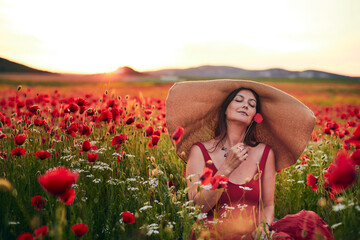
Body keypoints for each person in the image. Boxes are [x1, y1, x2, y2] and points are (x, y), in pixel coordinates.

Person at [166, 80, 334, 240]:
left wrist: (264, 227)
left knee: (308, 222)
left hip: (254, 231)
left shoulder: (265, 152)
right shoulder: (200, 151)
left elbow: (267, 206)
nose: (245, 105)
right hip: (214, 232)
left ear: (255, 116)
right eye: (238, 100)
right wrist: (226, 168)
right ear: (225, 109)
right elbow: (198, 208)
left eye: (252, 104)